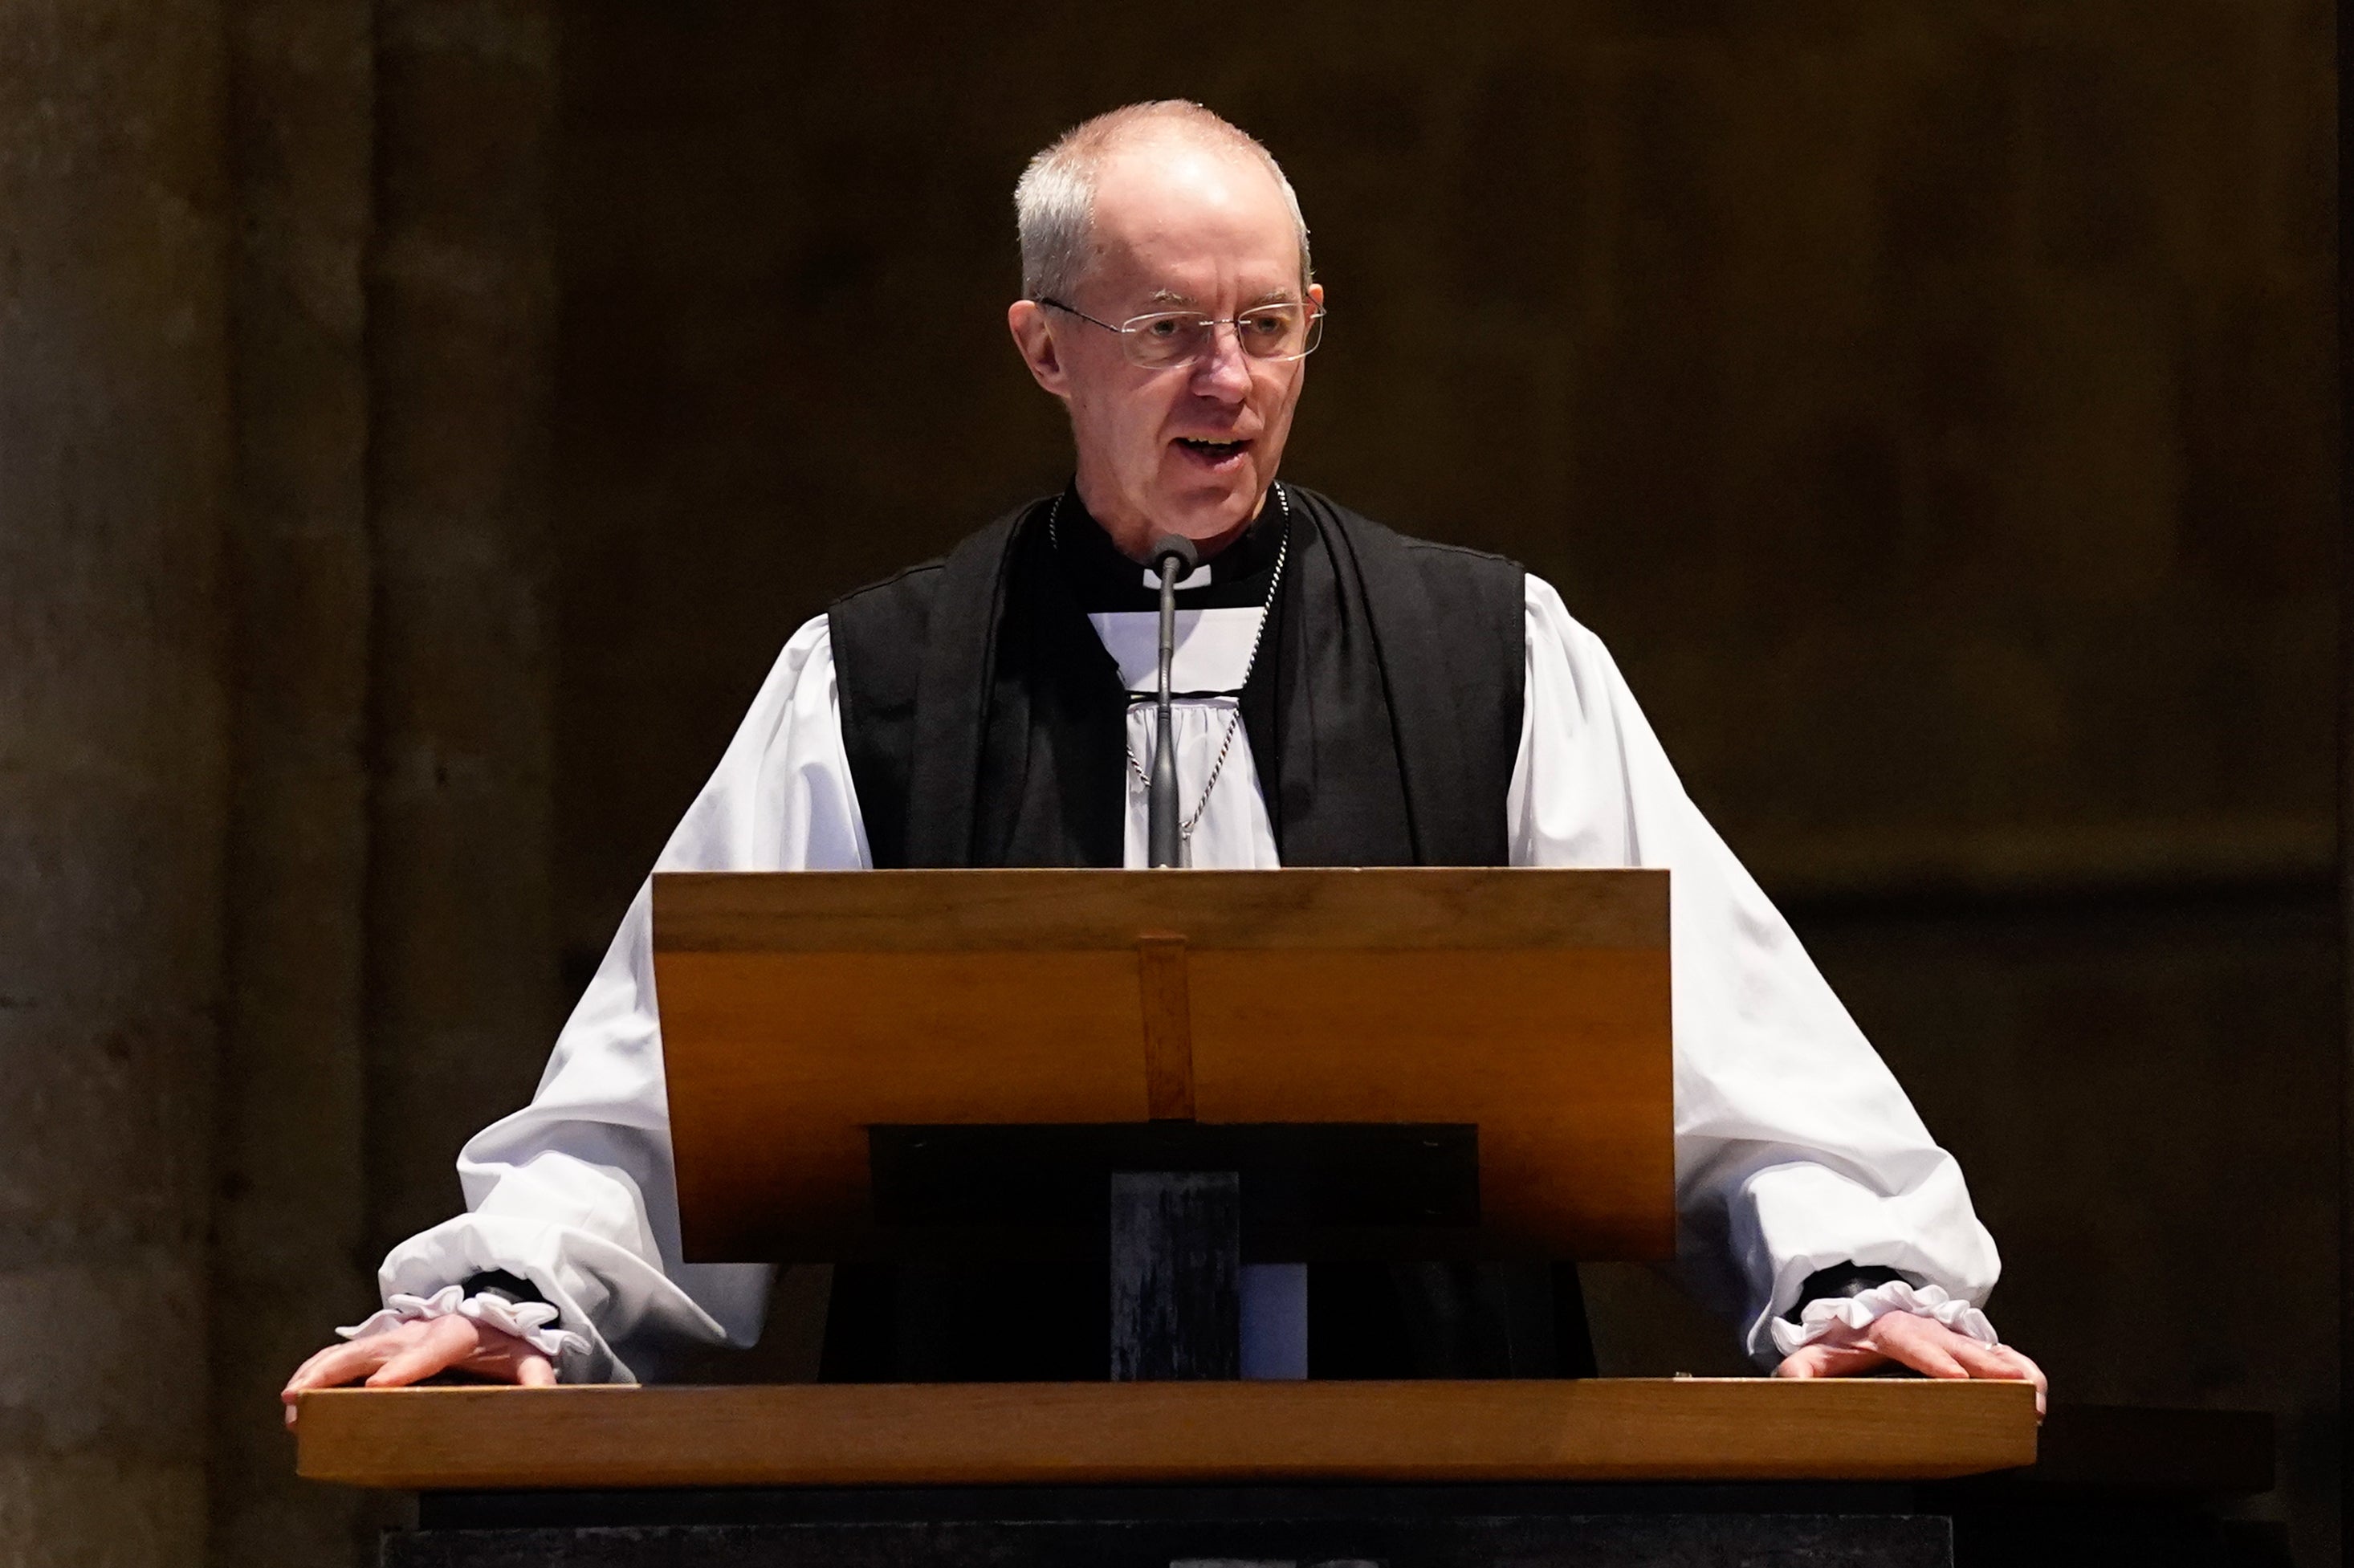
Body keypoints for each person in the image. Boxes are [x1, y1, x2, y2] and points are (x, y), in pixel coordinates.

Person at [284, 101, 2046, 1422]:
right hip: (985, 1481)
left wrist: (1850, 1274)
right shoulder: (879, 680)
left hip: (1425, 1473)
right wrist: (522, 1294)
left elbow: (1712, 1028)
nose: (1231, 379)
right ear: (1044, 348)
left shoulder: (1486, 655)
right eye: (1168, 331)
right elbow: (670, 1083)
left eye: (1267, 326)